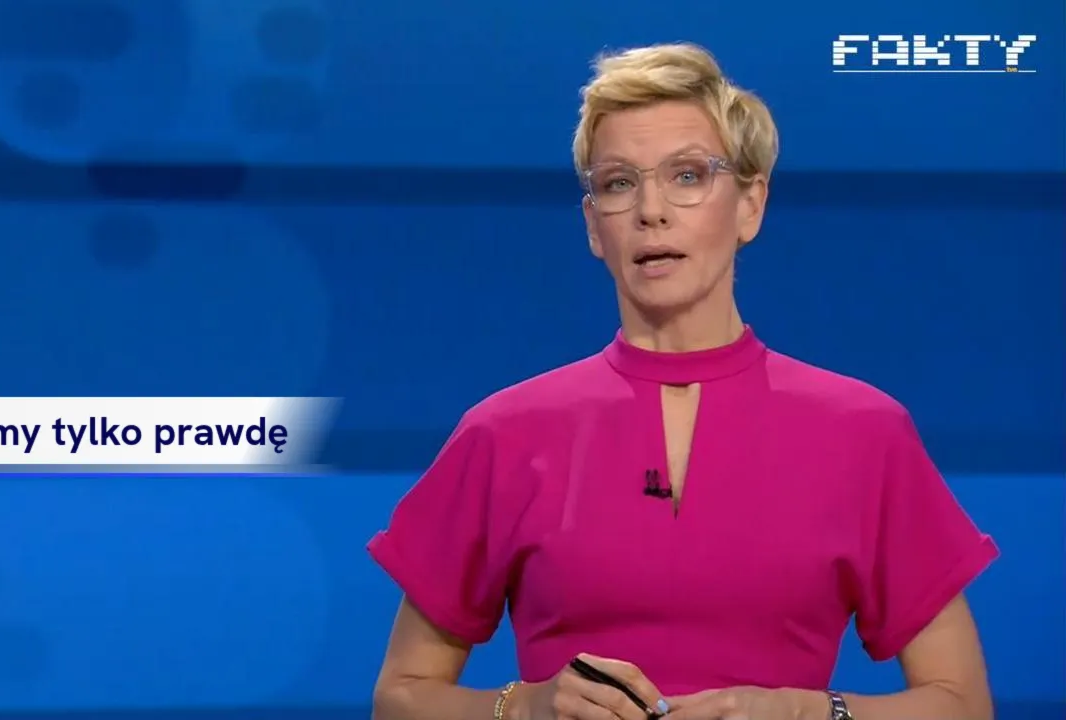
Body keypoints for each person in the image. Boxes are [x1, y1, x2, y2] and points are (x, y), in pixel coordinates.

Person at [366, 43, 998, 720]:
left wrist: (805, 713)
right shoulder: (503, 433)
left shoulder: (863, 432)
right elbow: (400, 697)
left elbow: (962, 704)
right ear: (593, 227)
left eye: (688, 175)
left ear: (750, 204)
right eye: (618, 183)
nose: (651, 210)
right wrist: (525, 708)